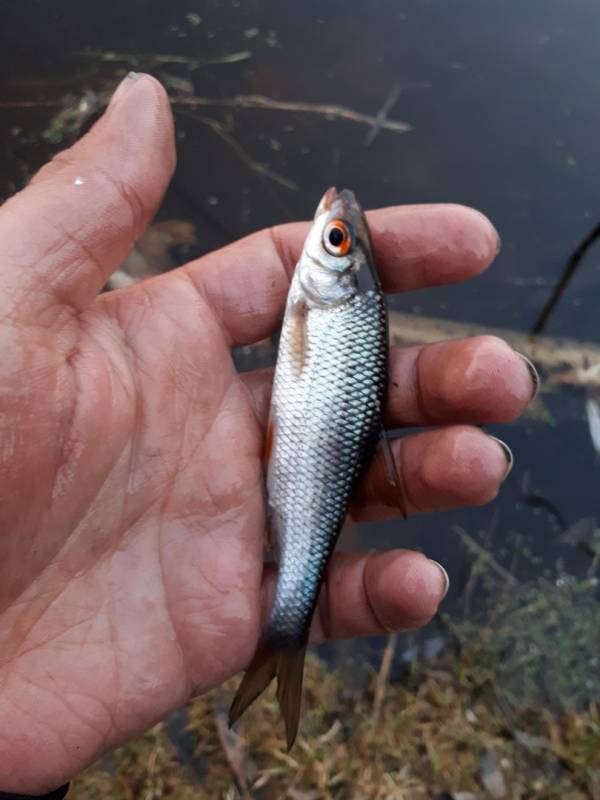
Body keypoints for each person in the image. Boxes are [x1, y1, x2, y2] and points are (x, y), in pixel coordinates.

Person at [0, 73, 537, 798]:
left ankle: (281, 642)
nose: (329, 227)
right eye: (338, 237)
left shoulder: (328, 306)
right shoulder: (325, 306)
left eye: (336, 238)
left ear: (336, 272)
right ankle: (281, 647)